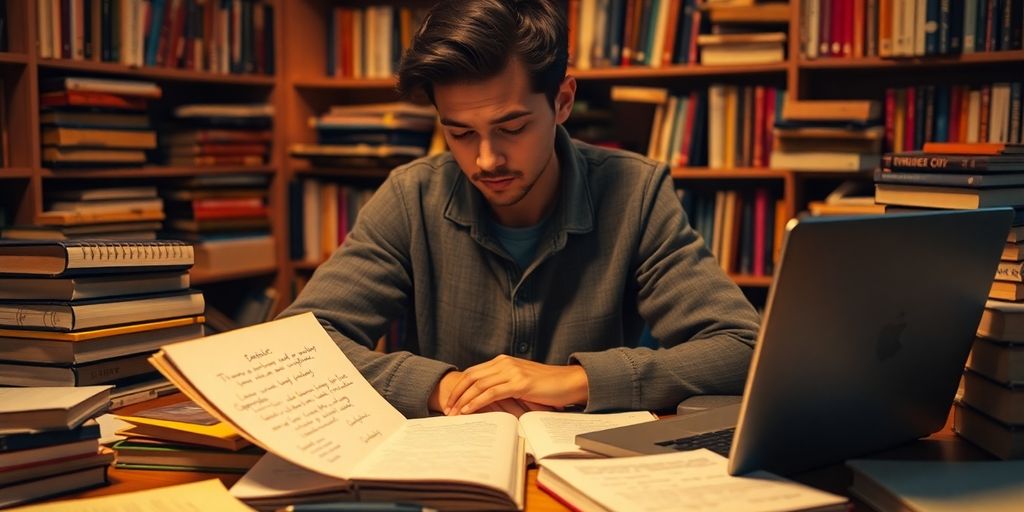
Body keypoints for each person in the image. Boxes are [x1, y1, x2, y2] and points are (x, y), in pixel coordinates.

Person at [279, 0, 760, 419]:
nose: (487, 160)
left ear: (563, 101)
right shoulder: (410, 198)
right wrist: (442, 387)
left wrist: (576, 380)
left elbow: (742, 348)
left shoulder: (637, 192)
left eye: (511, 127)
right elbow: (295, 348)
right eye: (461, 133)